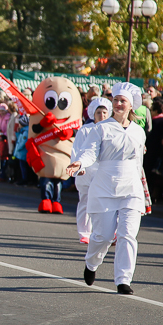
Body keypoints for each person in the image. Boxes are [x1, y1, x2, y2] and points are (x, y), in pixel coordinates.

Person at [66, 82, 147, 295]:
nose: (118, 104)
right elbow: (90, 152)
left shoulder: (138, 131)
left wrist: (143, 190)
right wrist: (80, 163)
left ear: (131, 106)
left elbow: (139, 163)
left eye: (123, 101)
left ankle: (123, 279)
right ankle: (92, 263)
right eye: (116, 100)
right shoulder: (101, 128)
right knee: (102, 236)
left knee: (128, 234)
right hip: (105, 187)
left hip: (131, 188)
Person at [71, 97, 111, 244]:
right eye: (99, 112)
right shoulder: (85, 130)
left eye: (105, 112)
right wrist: (77, 166)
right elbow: (76, 150)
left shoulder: (113, 129)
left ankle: (108, 232)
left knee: (107, 204)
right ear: (93, 114)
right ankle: (85, 232)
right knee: (86, 202)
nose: (102, 115)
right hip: (87, 172)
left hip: (105, 172)